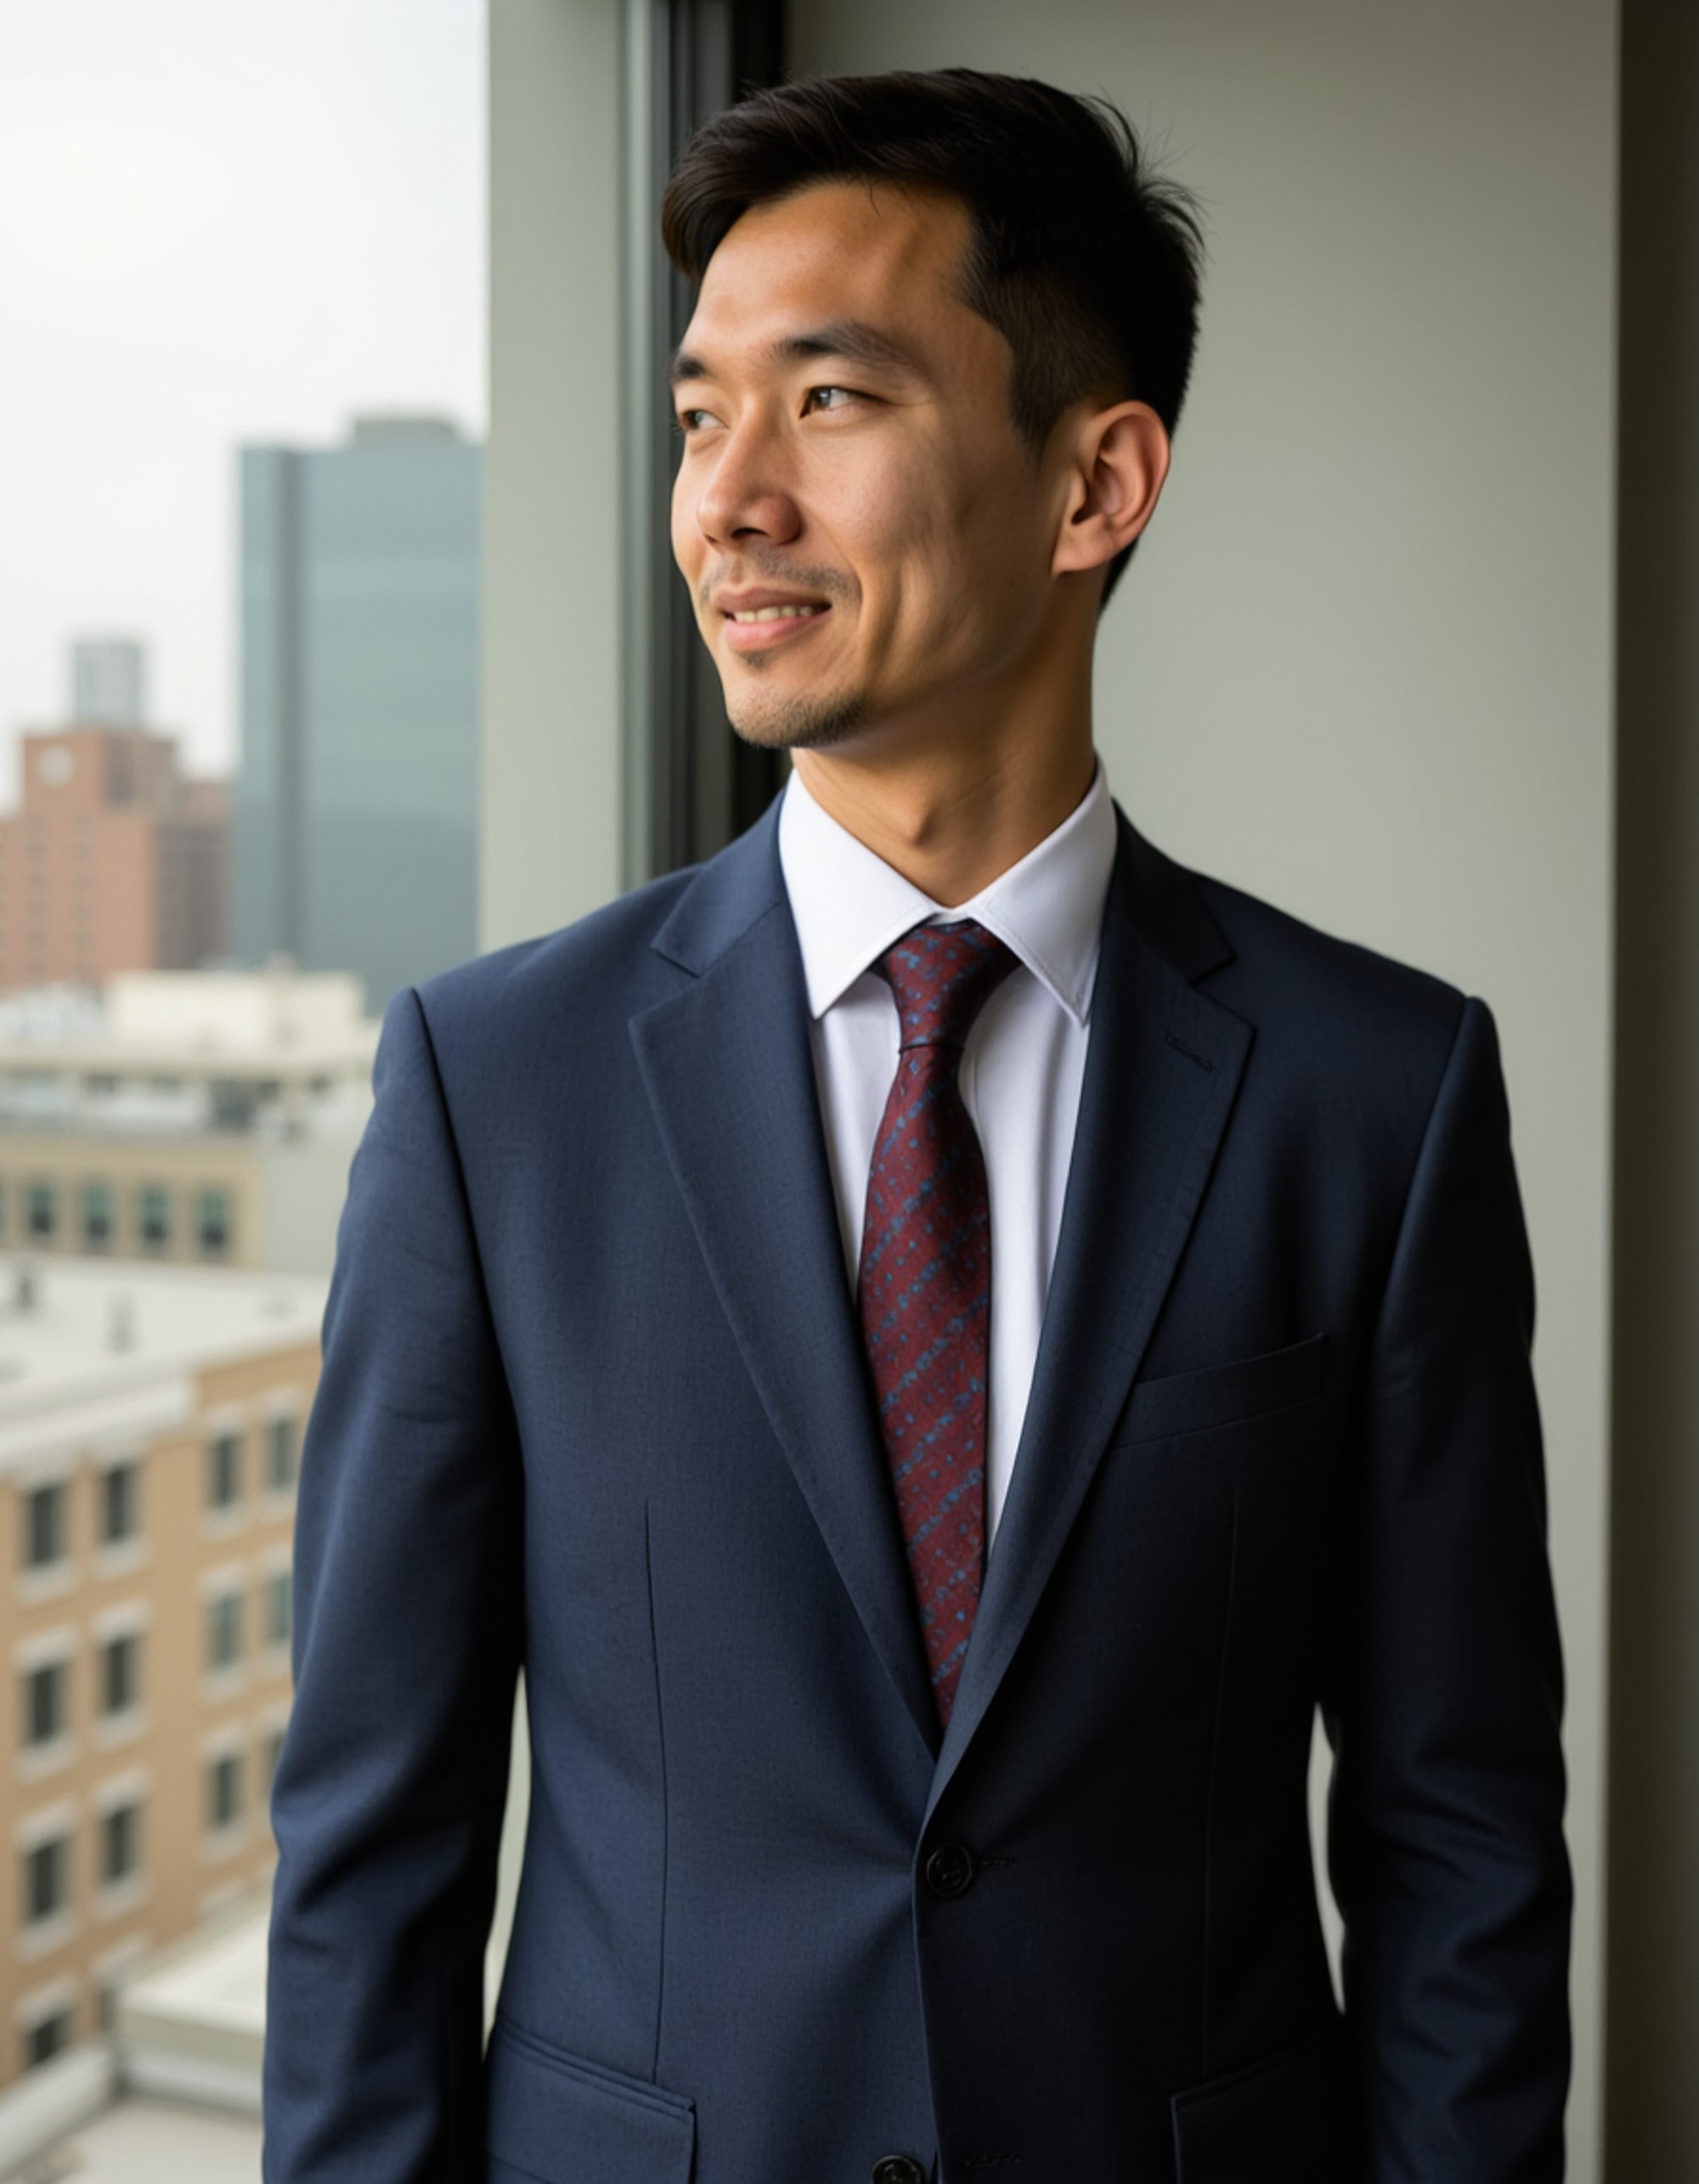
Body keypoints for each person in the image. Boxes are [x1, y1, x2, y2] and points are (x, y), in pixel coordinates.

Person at [262, 68, 1571, 2184]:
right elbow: (370, 1857)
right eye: (700, 416)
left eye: (830, 400)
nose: (726, 500)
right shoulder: (488, 1087)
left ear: (1094, 481)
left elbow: (1459, 1839)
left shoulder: (1378, 1094)